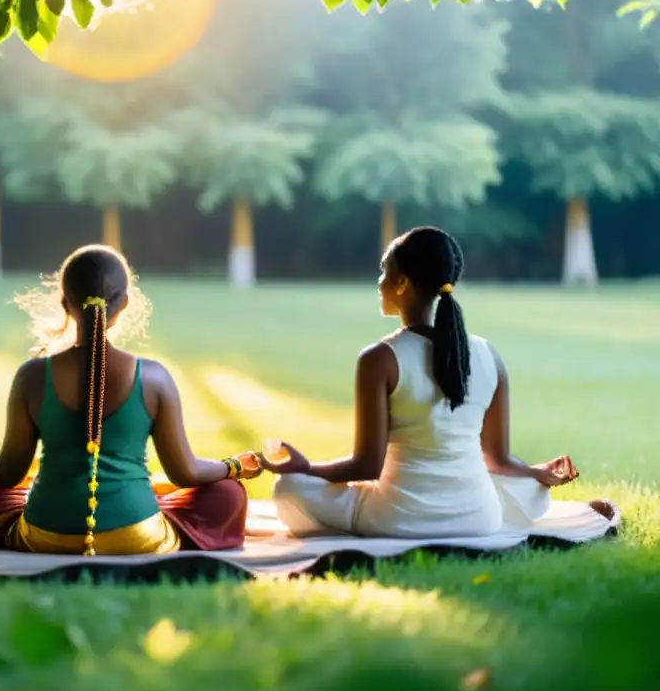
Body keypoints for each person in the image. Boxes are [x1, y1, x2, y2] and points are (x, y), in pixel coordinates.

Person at [262, 227, 613, 538]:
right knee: (523, 489)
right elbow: (498, 459)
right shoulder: (489, 355)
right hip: (480, 518)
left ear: (402, 284)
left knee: (288, 488)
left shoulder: (379, 358)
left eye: (385, 271)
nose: (379, 281)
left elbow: (367, 467)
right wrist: (535, 473)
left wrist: (305, 467)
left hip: (398, 519)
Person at [0, 244, 261, 555]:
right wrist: (234, 466)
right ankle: (147, 500)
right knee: (227, 493)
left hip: (45, 533)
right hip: (135, 535)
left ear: (65, 302)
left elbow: (8, 474)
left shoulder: (32, 377)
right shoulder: (153, 378)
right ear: (124, 303)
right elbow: (186, 473)